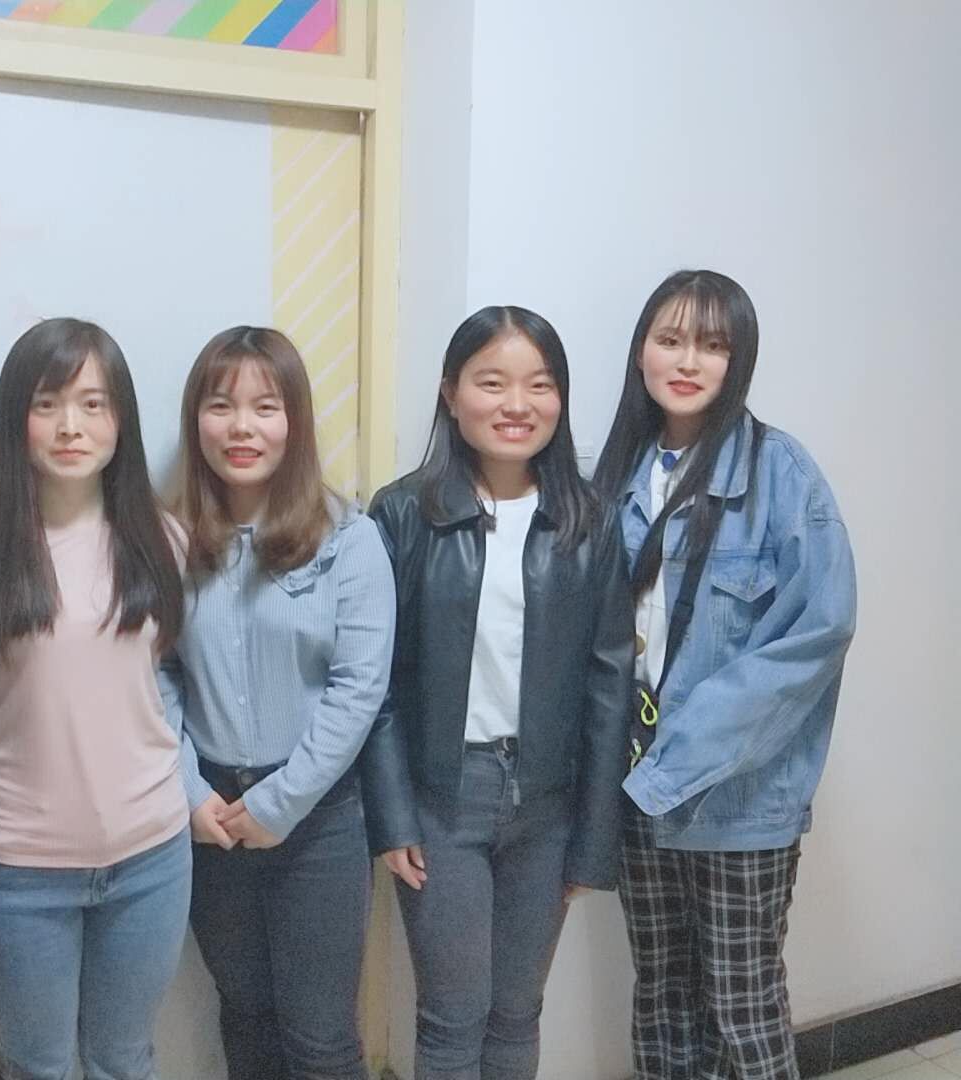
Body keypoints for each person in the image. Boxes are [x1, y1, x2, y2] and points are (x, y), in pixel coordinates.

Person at [592, 270, 857, 1080]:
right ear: (641, 350)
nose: (688, 360)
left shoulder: (784, 473)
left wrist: (681, 758)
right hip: (637, 790)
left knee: (743, 1006)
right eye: (670, 339)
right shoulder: (618, 474)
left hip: (738, 799)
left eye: (712, 345)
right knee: (662, 993)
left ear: (738, 360)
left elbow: (817, 632)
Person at [363, 306, 632, 1080]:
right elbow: (375, 681)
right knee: (453, 1017)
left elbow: (610, 685)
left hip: (549, 802)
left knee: (518, 1011)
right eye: (492, 383)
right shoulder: (403, 513)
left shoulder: (588, 520)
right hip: (443, 800)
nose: (517, 404)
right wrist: (392, 813)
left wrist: (594, 834)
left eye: (539, 385)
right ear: (451, 395)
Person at [0, 317, 189, 1080]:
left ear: (121, 420)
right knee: (36, 1065)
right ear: (17, 419)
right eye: (47, 404)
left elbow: (158, 681)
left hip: (151, 858)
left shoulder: (162, 540)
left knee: (123, 1059)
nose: (71, 426)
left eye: (93, 404)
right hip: (18, 869)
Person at [167, 326, 395, 1080]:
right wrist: (190, 791)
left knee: (321, 1040)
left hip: (318, 819)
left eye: (265, 407)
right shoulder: (169, 541)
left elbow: (358, 688)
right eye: (221, 405)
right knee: (246, 1019)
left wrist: (281, 801)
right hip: (210, 820)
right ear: (196, 420)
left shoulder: (349, 540)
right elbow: (155, 676)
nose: (242, 427)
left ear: (293, 421)